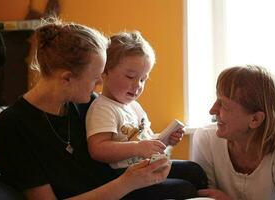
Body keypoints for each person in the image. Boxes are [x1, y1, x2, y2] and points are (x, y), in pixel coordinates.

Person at [0, 17, 172, 200]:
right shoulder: (12, 126)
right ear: (67, 78)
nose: (102, 82)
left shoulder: (86, 103)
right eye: (95, 77)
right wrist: (127, 182)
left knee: (188, 180)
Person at [86, 31, 208, 199]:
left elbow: (147, 140)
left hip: (148, 166)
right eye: (130, 76)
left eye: (143, 79)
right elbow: (97, 149)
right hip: (124, 176)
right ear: (104, 72)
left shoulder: (134, 107)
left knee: (194, 170)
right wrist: (137, 147)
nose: (137, 85)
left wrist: (165, 139)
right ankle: (201, 194)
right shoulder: (103, 108)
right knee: (182, 188)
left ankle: (202, 192)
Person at [192, 65, 275, 200]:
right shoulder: (206, 139)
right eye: (216, 100)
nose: (212, 110)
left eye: (224, 105)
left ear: (255, 119)